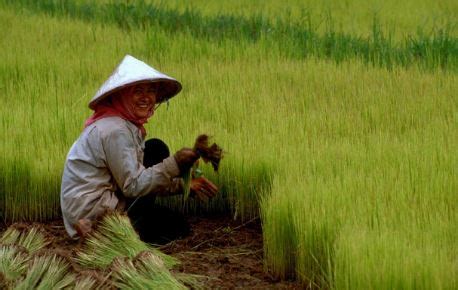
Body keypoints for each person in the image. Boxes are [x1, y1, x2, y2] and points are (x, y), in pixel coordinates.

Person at [60, 55, 218, 243]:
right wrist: (175, 163)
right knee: (173, 228)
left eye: (151, 91)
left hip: (103, 201)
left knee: (154, 149)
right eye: (138, 91)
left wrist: (183, 186)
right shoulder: (116, 130)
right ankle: (96, 232)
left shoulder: (121, 124)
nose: (146, 98)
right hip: (94, 211)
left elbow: (136, 175)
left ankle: (107, 228)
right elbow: (133, 185)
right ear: (122, 95)